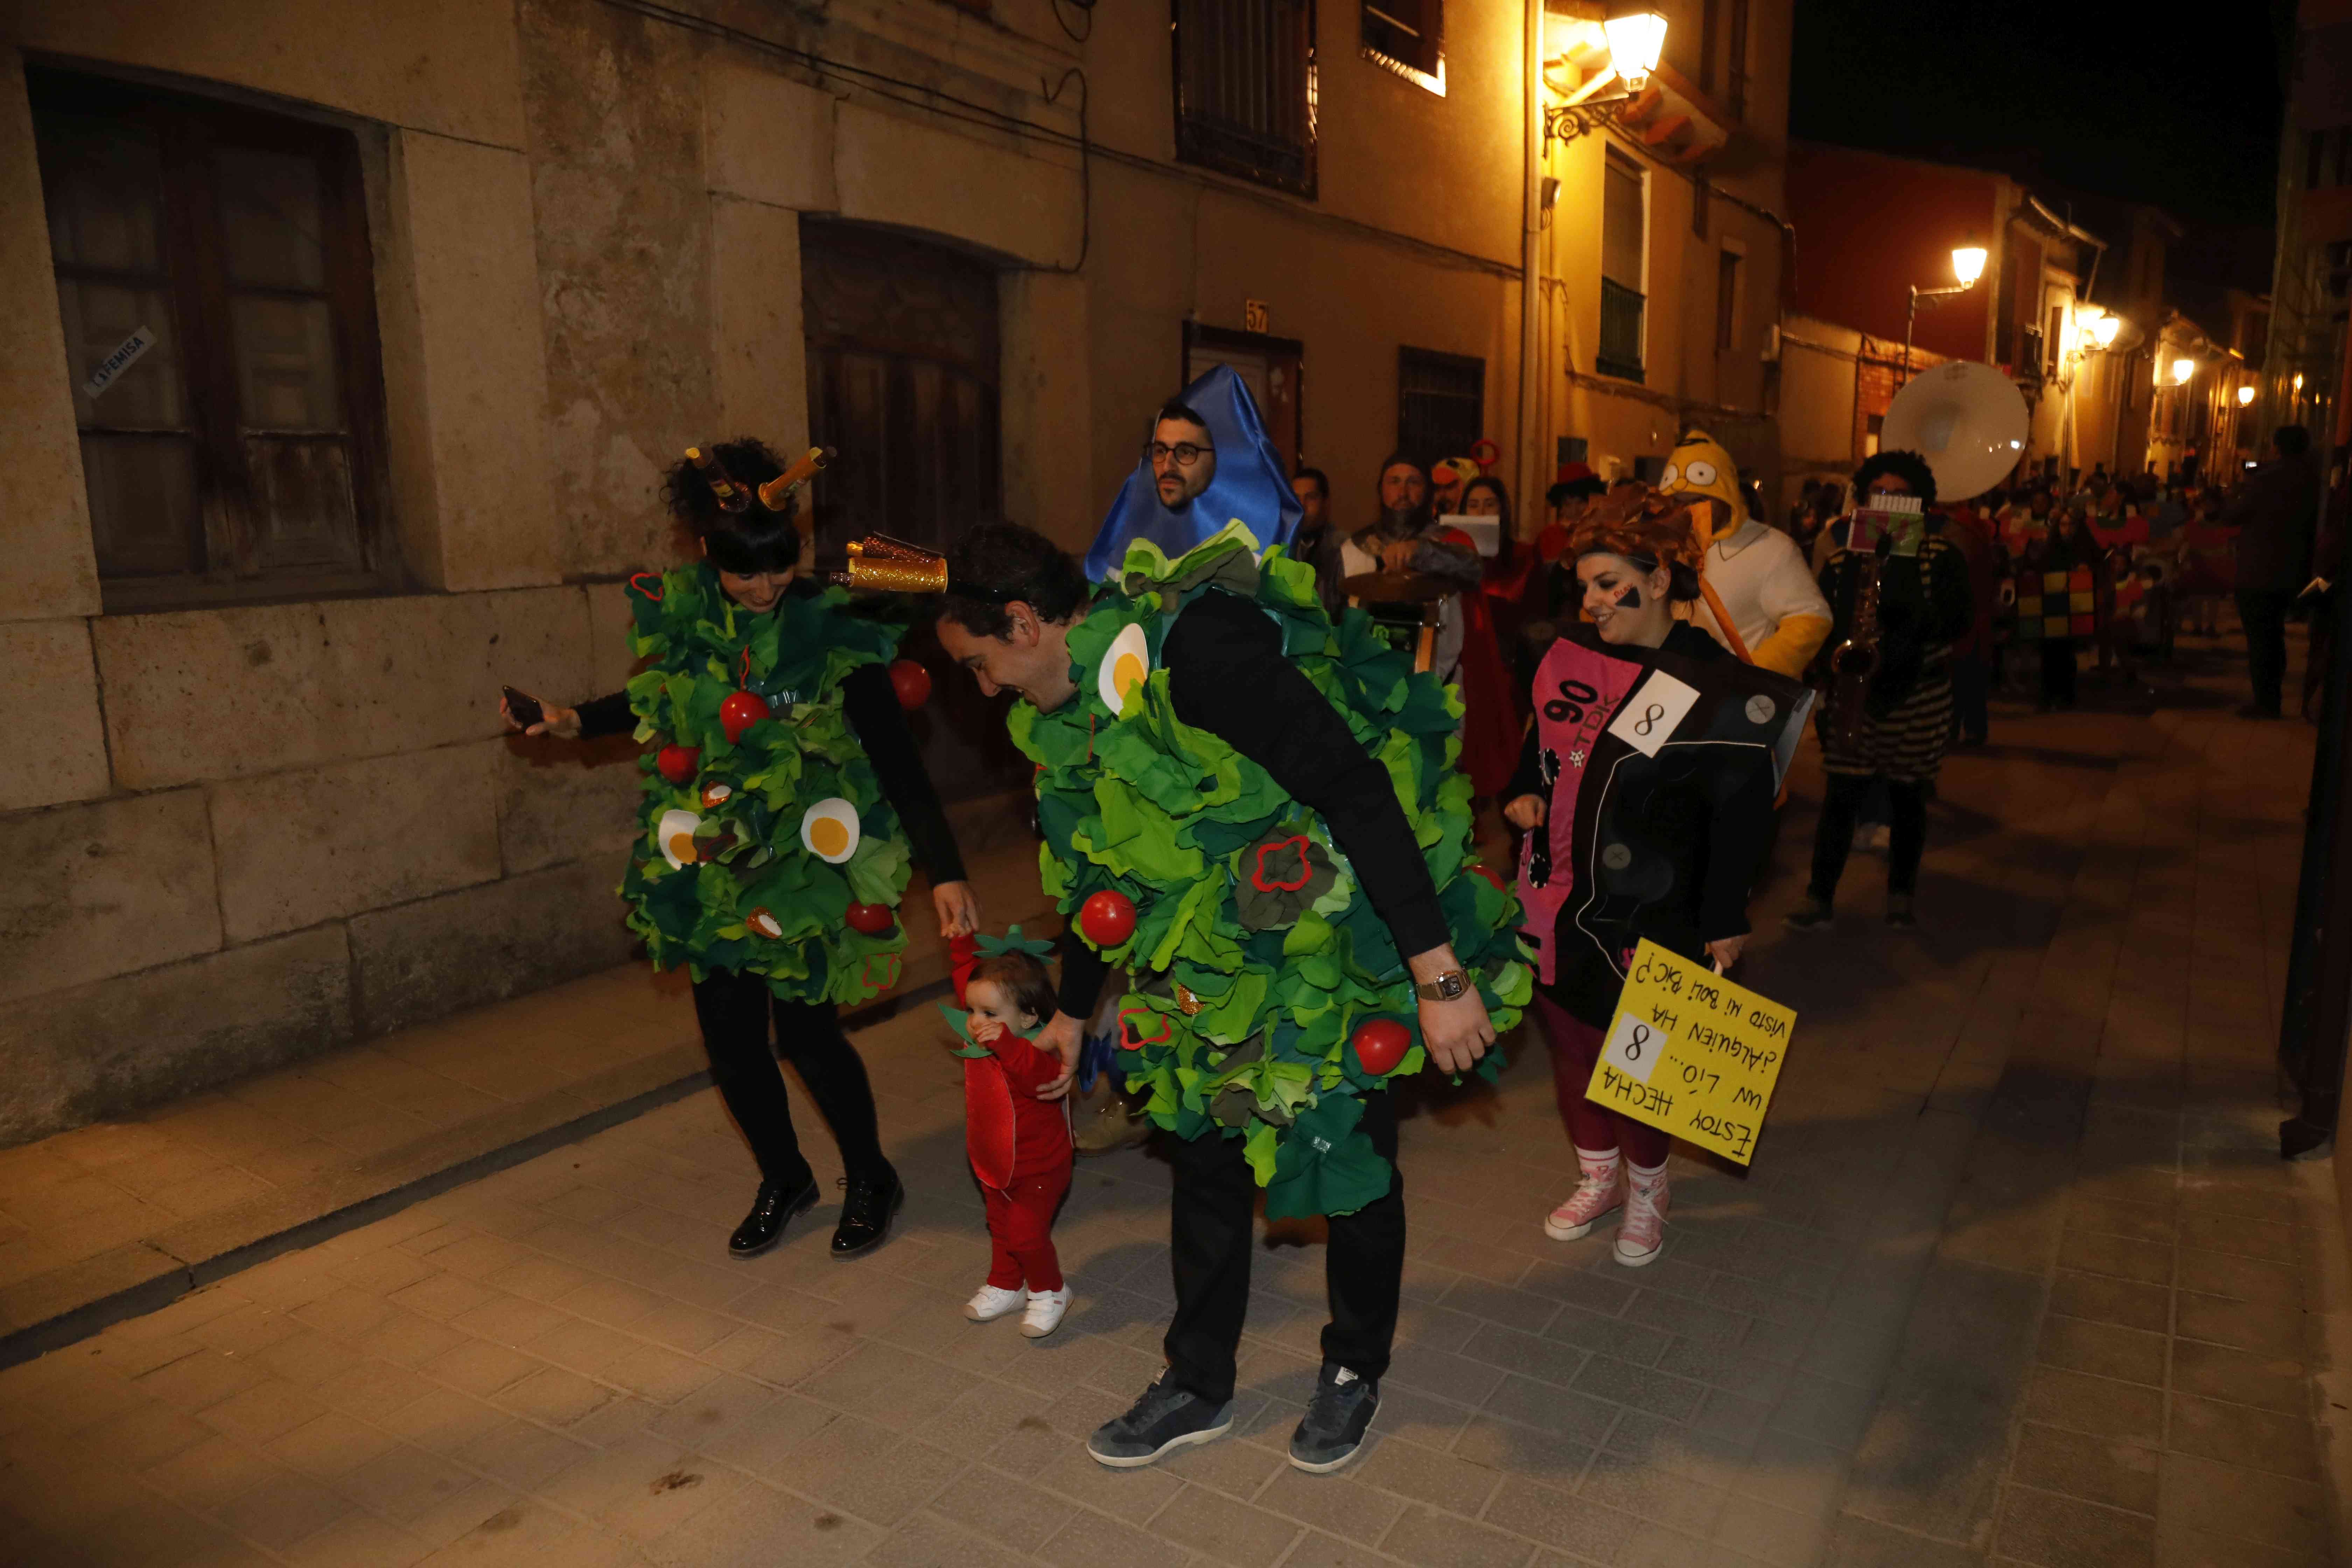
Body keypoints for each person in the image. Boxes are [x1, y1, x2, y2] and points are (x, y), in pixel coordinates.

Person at [935, 512, 1525, 1476]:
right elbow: (1104, 885)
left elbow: (1355, 789)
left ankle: (1353, 1369)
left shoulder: (1201, 653)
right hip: (1204, 972)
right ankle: (1198, 1381)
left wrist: (1438, 976)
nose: (981, 686)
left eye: (975, 663)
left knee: (1351, 1168)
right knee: (1204, 1164)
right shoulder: (1063, 723)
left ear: (1022, 624)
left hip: (1316, 946)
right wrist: (1077, 1018)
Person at [509, 439, 976, 1261]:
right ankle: (784, 1176)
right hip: (718, 857)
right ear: (705, 553)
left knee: (806, 1037)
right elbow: (657, 696)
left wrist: (948, 870)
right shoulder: (691, 618)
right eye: (741, 570)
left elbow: (898, 757)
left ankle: (871, 1175)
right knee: (729, 1047)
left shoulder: (834, 625)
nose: (762, 586)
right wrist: (570, 718)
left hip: (810, 860)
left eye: (777, 564)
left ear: (799, 545)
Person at [1504, 490, 1801, 1264]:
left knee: (1635, 1060)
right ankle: (1597, 1176)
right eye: (1587, 587)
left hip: (1653, 907)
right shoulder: (1568, 652)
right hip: (1553, 889)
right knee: (1571, 1045)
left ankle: (1650, 1185)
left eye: (1610, 584)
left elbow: (1741, 816)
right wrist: (1521, 789)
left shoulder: (1718, 684)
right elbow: (1538, 742)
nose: (1594, 602)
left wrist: (1725, 915)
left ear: (1662, 578)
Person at [1786, 450, 1973, 932]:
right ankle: (1819, 896)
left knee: (1910, 800)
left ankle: (1900, 896)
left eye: (1900, 495)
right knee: (1840, 799)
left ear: (1920, 503)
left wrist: (1905, 600)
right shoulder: (1844, 555)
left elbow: (1958, 622)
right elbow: (1824, 619)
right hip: (1856, 698)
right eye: (1880, 494)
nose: (1888, 503)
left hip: (1920, 698)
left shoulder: (1943, 556)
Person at [954, 942, 1075, 1339]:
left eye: (990, 1014)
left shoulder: (1035, 1055)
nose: (976, 1022)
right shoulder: (983, 1049)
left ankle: (1051, 1290)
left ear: (1028, 1016)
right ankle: (1007, 1284)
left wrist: (1005, 1043)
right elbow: (964, 976)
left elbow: (1031, 1076)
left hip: (1039, 1167)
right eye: (972, 1011)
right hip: (994, 1165)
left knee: (1026, 1235)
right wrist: (958, 940)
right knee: (1001, 1228)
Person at [1658, 427, 1833, 680]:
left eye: (1699, 500)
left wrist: (1751, 675)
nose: (1687, 511)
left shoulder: (1772, 548)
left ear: (1726, 494)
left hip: (1734, 702)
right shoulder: (1666, 545)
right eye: (1677, 502)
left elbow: (1812, 618)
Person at [2226, 425, 2321, 718]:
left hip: (2259, 572)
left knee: (2261, 640)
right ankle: (2273, 697)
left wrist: (2239, 489)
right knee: (2275, 636)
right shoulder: (2314, 480)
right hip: (2295, 572)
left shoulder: (2265, 480)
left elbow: (2233, 515)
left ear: (2277, 447)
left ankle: (2266, 702)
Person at [1288, 465, 1346, 613]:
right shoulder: (1282, 542)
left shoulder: (1344, 546)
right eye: (1296, 498)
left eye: (1311, 498)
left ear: (1326, 503)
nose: (1302, 506)